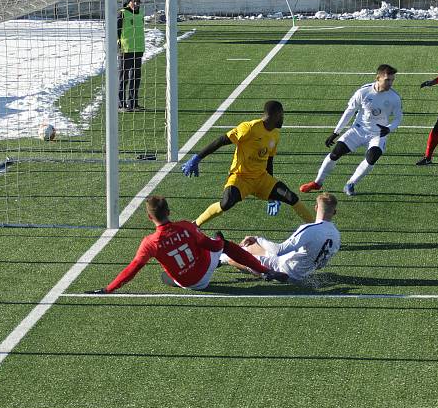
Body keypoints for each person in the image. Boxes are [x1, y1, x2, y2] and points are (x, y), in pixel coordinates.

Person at [84, 196, 287, 293]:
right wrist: (218, 239)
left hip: (189, 283)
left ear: (149, 217)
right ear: (169, 212)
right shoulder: (186, 227)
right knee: (223, 244)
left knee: (166, 274)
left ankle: (212, 266)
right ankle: (264, 270)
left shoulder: (149, 243)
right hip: (203, 268)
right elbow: (214, 246)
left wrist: (108, 289)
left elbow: (133, 269)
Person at [182, 100, 314, 226]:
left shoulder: (275, 134)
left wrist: (271, 194)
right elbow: (222, 140)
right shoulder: (249, 128)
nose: (283, 118)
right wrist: (197, 158)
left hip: (261, 179)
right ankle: (196, 224)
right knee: (226, 203)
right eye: (282, 115)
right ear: (275, 115)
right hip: (240, 177)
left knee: (291, 197)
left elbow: (269, 161)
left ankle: (316, 226)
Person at [299, 64, 402, 196]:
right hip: (358, 130)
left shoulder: (394, 97)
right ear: (378, 78)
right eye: (387, 80)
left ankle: (351, 183)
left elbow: (398, 118)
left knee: (372, 157)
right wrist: (336, 132)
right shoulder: (363, 92)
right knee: (335, 153)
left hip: (378, 134)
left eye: (392, 80)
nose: (390, 83)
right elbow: (349, 112)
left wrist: (388, 129)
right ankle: (317, 183)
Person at [224, 193, 341, 285]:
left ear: (316, 208)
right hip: (302, 272)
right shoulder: (336, 235)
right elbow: (321, 264)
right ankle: (258, 268)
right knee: (248, 247)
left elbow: (279, 250)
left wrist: (257, 239)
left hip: (285, 268)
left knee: (231, 256)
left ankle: (264, 272)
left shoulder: (310, 229)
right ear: (334, 212)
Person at [118, 0, 145, 111]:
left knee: (136, 78)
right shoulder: (122, 14)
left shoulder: (141, 14)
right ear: (129, 2)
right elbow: (116, 30)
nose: (135, 3)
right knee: (123, 78)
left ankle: (133, 104)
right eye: (133, 1)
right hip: (126, 50)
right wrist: (118, 44)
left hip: (138, 50)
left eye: (137, 1)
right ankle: (121, 104)